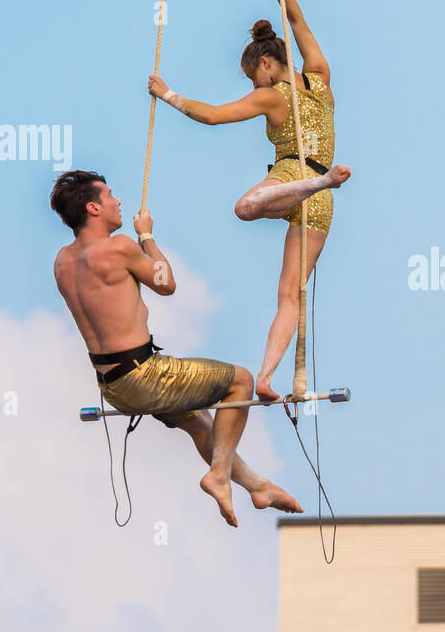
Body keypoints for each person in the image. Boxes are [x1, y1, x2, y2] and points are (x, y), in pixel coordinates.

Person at [147, 0, 350, 403]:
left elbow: (214, 115)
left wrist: (169, 94)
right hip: (321, 201)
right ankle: (265, 378)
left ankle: (315, 179)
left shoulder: (273, 96)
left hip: (292, 177)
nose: (252, 86)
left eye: (251, 76)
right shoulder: (319, 75)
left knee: (243, 208)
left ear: (263, 64)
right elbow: (297, 22)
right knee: (290, 297)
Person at [49, 169, 301, 527]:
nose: (119, 202)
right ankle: (218, 475)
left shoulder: (62, 261)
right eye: (110, 196)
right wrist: (146, 235)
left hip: (113, 387)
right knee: (240, 381)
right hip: (143, 375)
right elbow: (166, 284)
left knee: (199, 422)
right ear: (93, 208)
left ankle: (257, 486)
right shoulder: (118, 247)